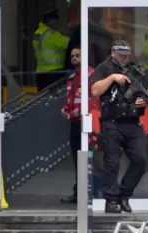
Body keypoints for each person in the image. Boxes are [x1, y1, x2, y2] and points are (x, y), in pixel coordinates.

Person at [90, 40, 148, 213]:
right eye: (120, 54)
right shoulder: (104, 68)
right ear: (113, 53)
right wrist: (112, 78)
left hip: (133, 123)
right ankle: (111, 201)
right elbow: (95, 90)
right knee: (111, 162)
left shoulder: (134, 68)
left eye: (126, 54)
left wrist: (146, 99)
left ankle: (124, 195)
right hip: (112, 122)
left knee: (140, 160)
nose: (124, 57)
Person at [60, 47, 97, 203]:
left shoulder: (91, 74)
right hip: (75, 123)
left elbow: (93, 97)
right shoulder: (73, 77)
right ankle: (79, 193)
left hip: (88, 122)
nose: (74, 58)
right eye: (72, 56)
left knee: (89, 158)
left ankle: (91, 192)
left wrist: (81, 111)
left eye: (78, 55)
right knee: (77, 158)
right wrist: (65, 109)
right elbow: (71, 97)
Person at [33, 9, 70, 91]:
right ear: (50, 20)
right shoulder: (52, 34)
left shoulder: (38, 32)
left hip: (40, 72)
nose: (57, 22)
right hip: (54, 72)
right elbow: (68, 43)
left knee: (42, 97)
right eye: (56, 20)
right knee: (54, 98)